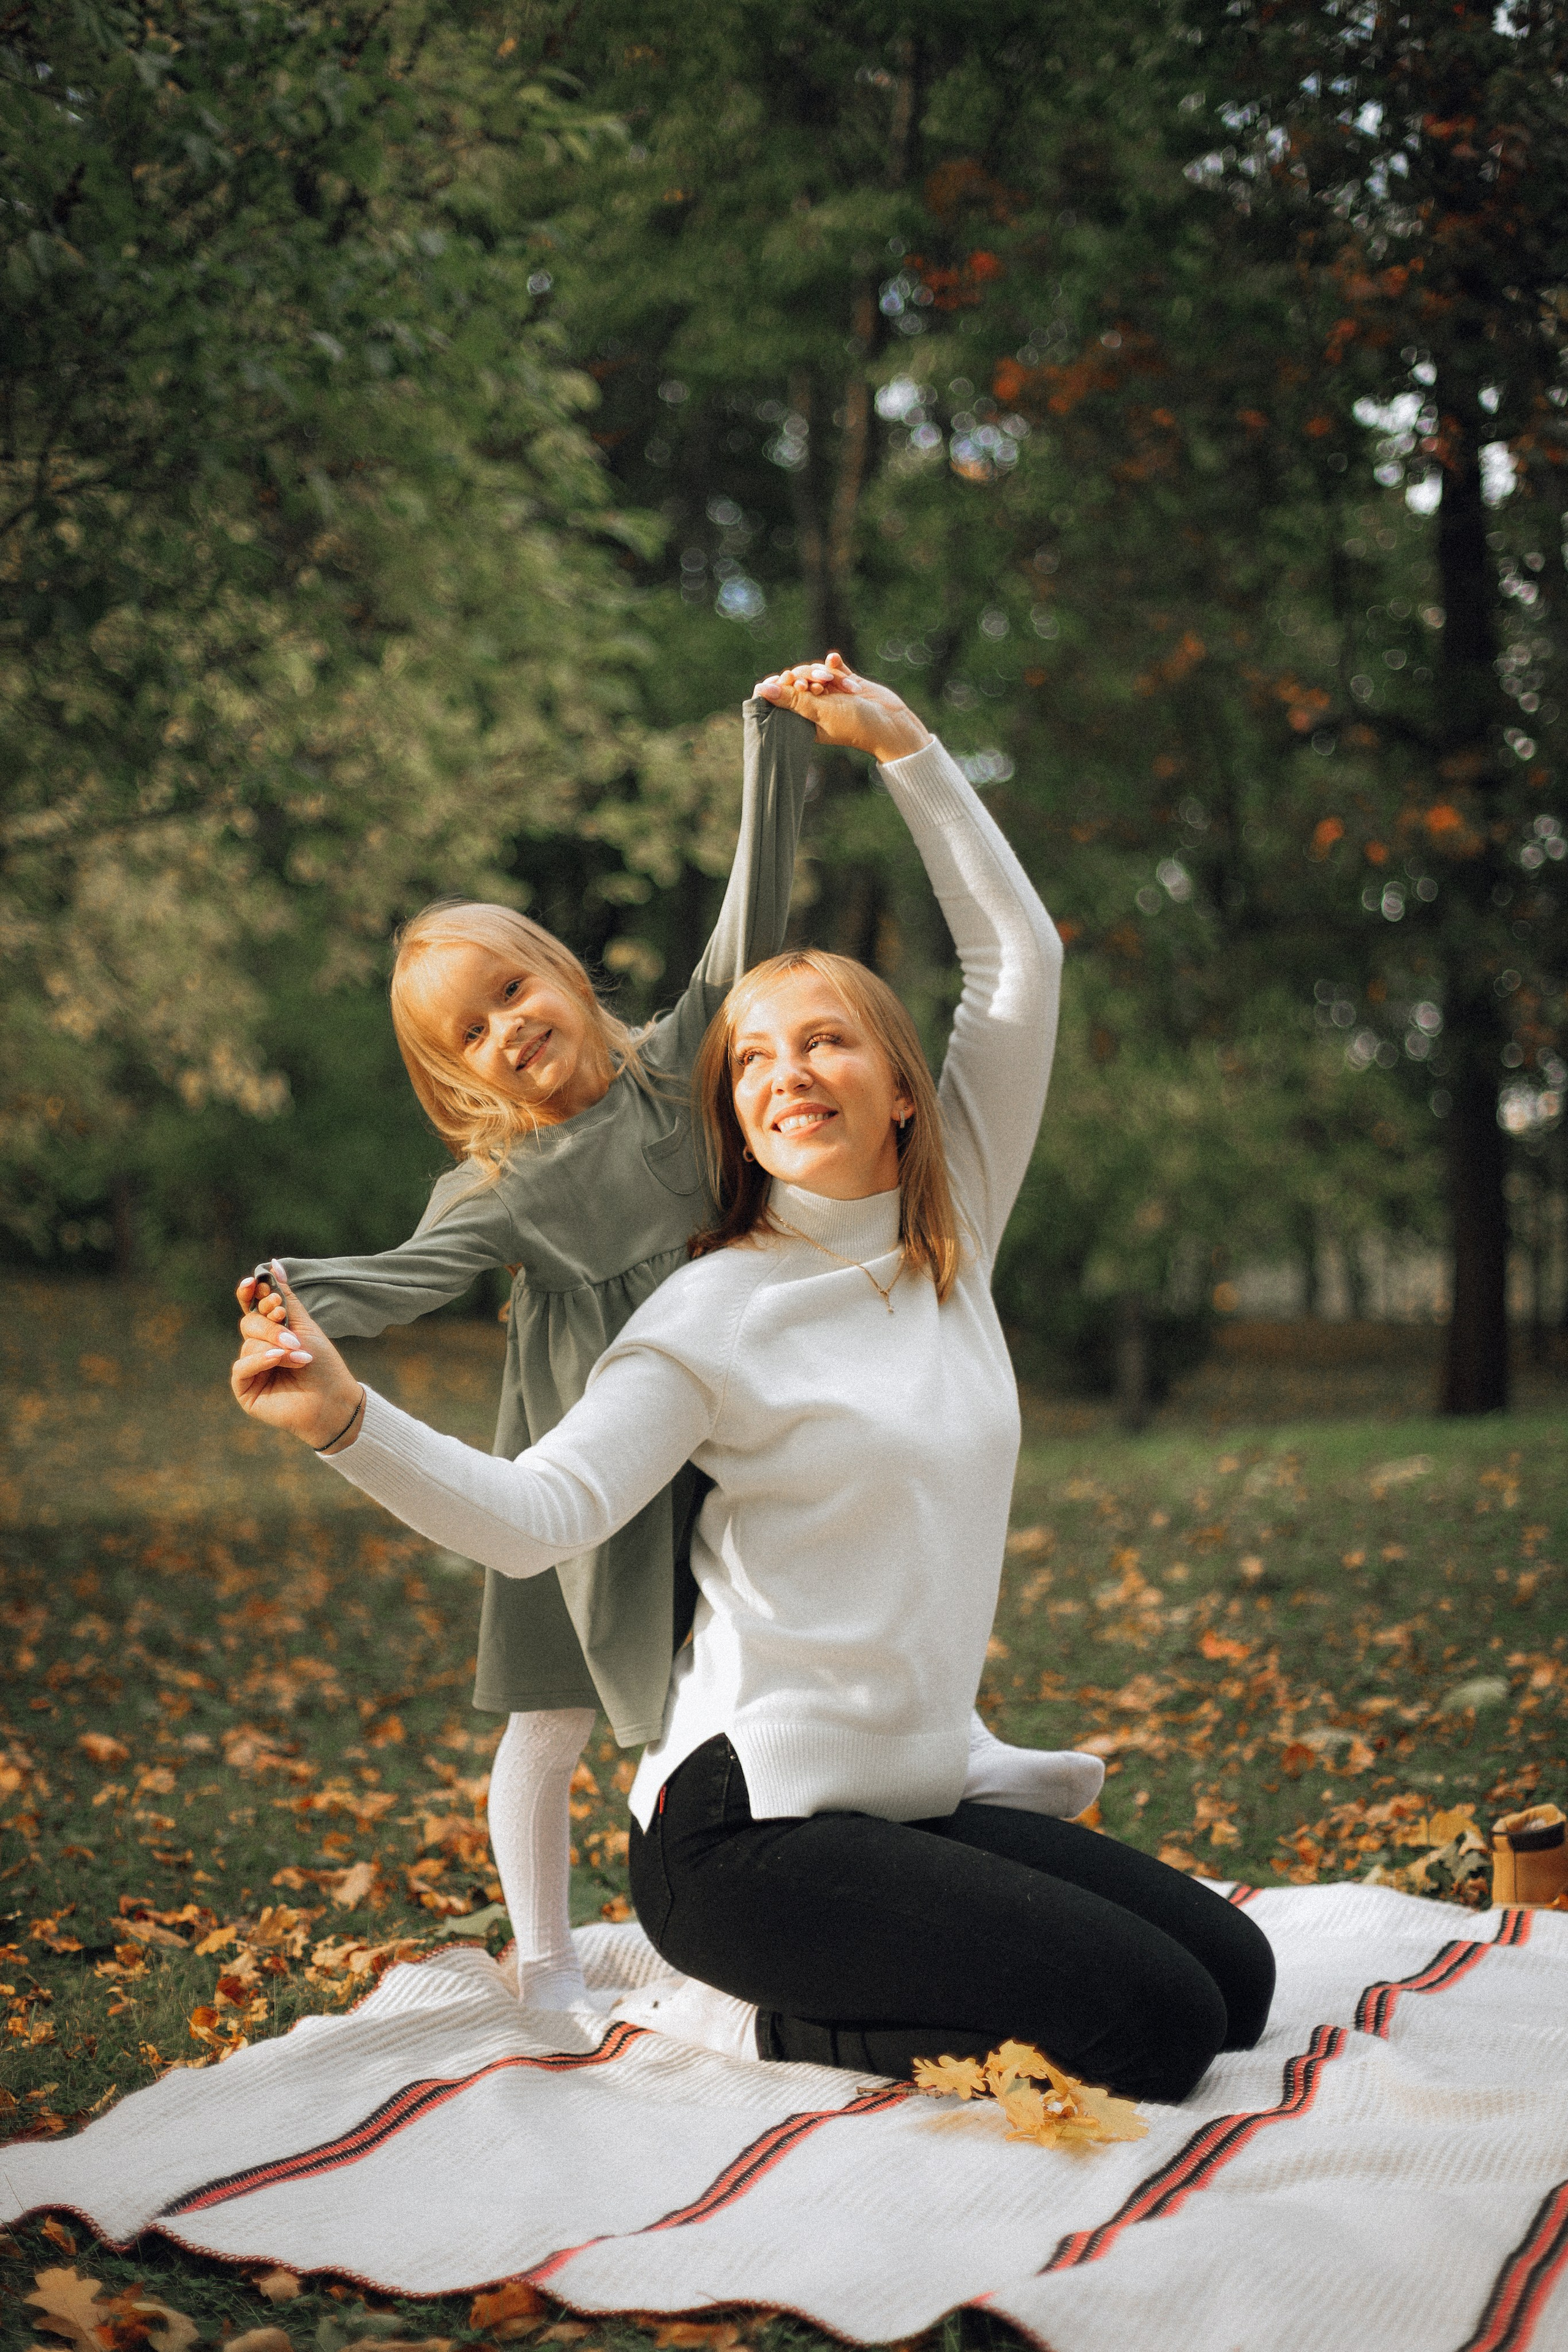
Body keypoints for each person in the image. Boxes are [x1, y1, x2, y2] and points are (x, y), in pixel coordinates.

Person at [233, 656, 1273, 2098]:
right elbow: (540, 1518)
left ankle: (946, 1855)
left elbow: (1019, 959)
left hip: (899, 1802)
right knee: (1150, 2032)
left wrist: (901, 746)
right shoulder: (713, 1310)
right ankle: (731, 2024)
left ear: (899, 1082)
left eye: (827, 1038)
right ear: (731, 1110)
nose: (788, 1071)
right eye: (754, 1061)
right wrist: (346, 1418)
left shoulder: (953, 1220)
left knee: (1237, 1985)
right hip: (745, 1837)